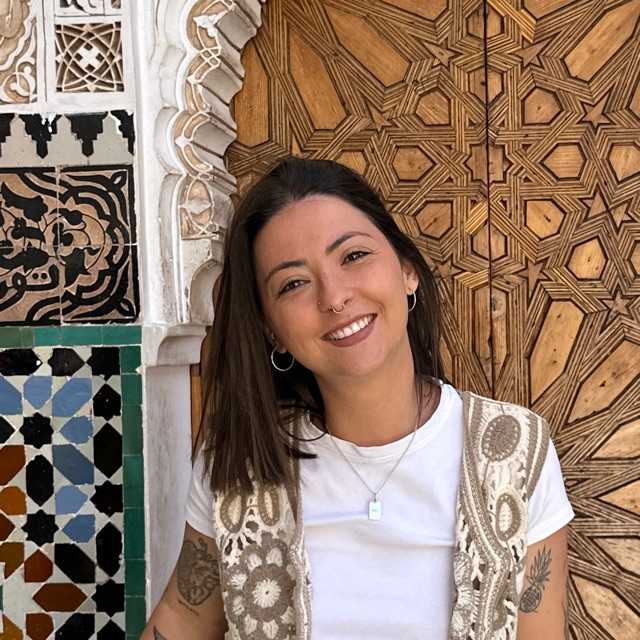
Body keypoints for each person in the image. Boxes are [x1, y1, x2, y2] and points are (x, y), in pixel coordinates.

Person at [142, 157, 574, 640]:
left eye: (353, 256)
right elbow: (182, 619)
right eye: (294, 284)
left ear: (407, 271)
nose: (334, 297)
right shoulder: (244, 462)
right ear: (271, 330)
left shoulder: (514, 451)